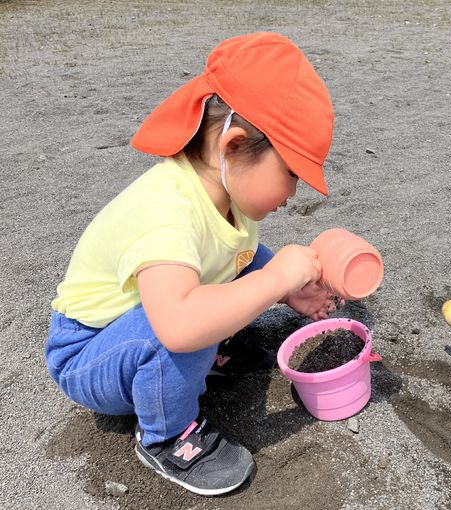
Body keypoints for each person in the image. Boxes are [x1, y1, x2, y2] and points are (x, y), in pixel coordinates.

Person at [45, 32, 339, 496]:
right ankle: (166, 437)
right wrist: (277, 276)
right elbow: (177, 326)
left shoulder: (228, 195)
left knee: (220, 300)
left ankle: (210, 356)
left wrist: (285, 287)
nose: (294, 193)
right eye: (292, 174)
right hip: (90, 353)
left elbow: (237, 257)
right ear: (235, 144)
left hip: (142, 323)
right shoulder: (165, 211)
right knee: (186, 331)